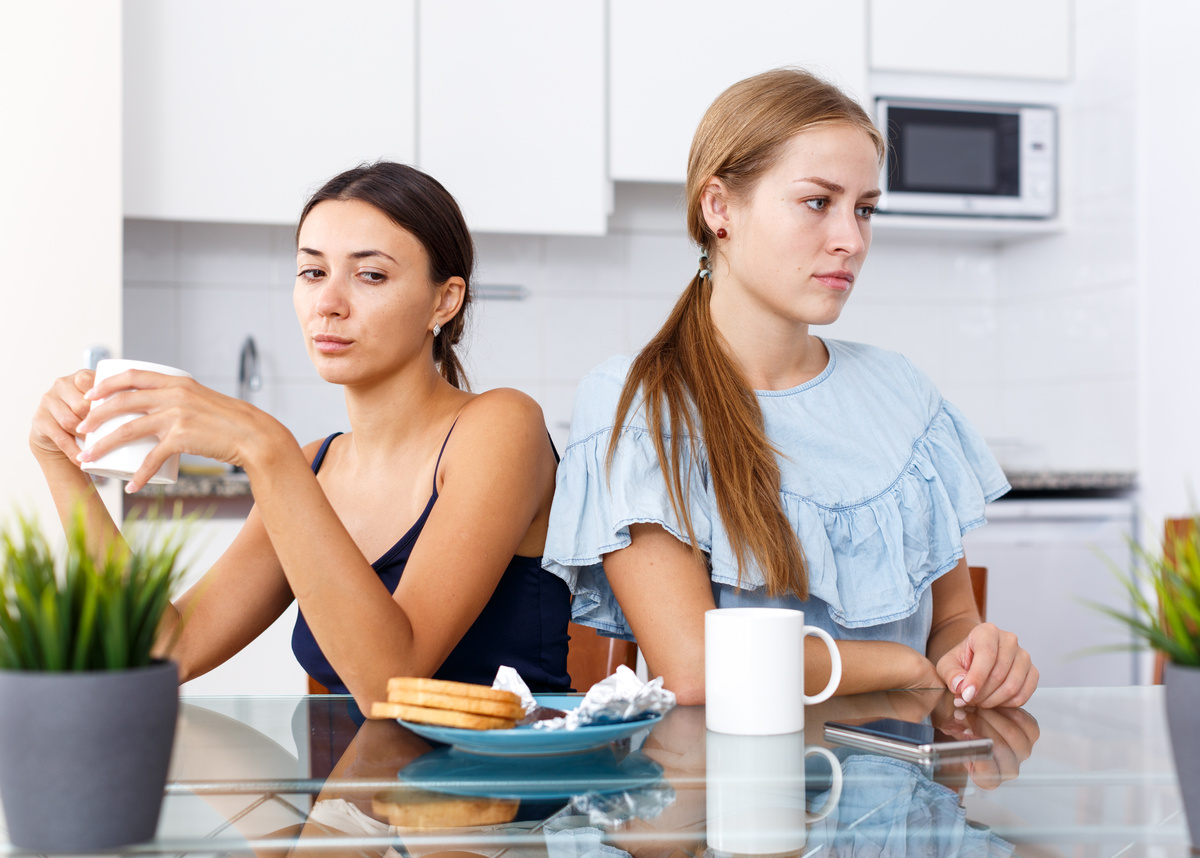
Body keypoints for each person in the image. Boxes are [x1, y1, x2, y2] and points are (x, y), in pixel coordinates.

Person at [542, 68, 1038, 709]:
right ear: (718, 207)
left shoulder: (902, 391)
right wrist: (899, 664)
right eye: (817, 202)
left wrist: (979, 655)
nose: (851, 240)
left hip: (907, 790)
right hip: (735, 797)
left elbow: (951, 622)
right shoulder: (638, 401)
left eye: (865, 209)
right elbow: (695, 669)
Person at [30, 161, 571, 710]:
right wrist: (64, 467)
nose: (328, 304)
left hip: (510, 789)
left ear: (444, 301)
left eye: (371, 275)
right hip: (355, 790)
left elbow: (391, 683)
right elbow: (168, 649)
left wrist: (262, 446)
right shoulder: (315, 466)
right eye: (313, 273)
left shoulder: (502, 426)